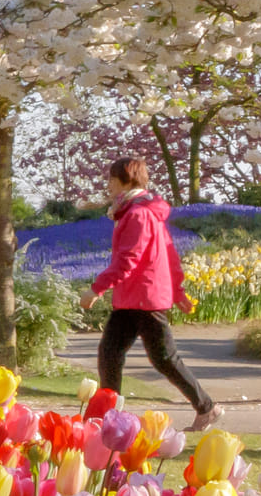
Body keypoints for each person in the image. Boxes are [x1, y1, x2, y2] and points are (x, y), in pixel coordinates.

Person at [85, 158, 220, 431]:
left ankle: (207, 408)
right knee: (110, 354)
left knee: (164, 359)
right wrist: (178, 291)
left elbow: (128, 260)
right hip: (134, 299)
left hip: (143, 299)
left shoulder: (138, 214)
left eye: (112, 179)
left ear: (126, 180)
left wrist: (96, 289)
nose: (108, 184)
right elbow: (169, 254)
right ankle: (107, 419)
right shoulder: (140, 211)